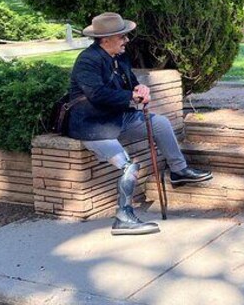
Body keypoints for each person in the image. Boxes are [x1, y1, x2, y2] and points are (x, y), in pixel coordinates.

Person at [68, 12, 212, 236]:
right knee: (129, 167)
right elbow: (96, 94)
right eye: (122, 36)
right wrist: (130, 98)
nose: (126, 40)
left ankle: (179, 171)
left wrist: (140, 90)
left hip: (118, 119)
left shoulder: (120, 56)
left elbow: (132, 83)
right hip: (94, 126)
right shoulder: (88, 60)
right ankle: (123, 218)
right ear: (105, 39)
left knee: (161, 123)